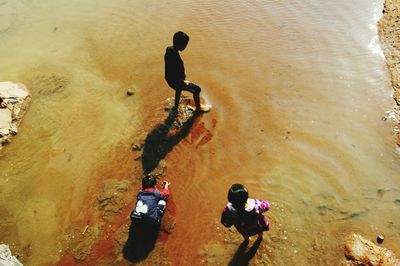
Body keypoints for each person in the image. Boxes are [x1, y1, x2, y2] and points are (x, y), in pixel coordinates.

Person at [123, 176, 170, 261]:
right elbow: (165, 195)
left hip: (135, 218)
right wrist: (166, 186)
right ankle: (153, 221)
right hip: (151, 221)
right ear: (155, 186)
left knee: (142, 205)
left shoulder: (140, 193)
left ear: (143, 186)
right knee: (162, 201)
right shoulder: (156, 193)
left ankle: (141, 221)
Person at [164, 31, 209, 113]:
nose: (185, 46)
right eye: (185, 44)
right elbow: (173, 72)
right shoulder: (175, 57)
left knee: (179, 89)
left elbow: (169, 70)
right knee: (197, 89)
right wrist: (183, 81)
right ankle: (198, 109)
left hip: (170, 79)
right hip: (176, 81)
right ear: (181, 45)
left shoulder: (169, 49)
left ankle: (176, 105)